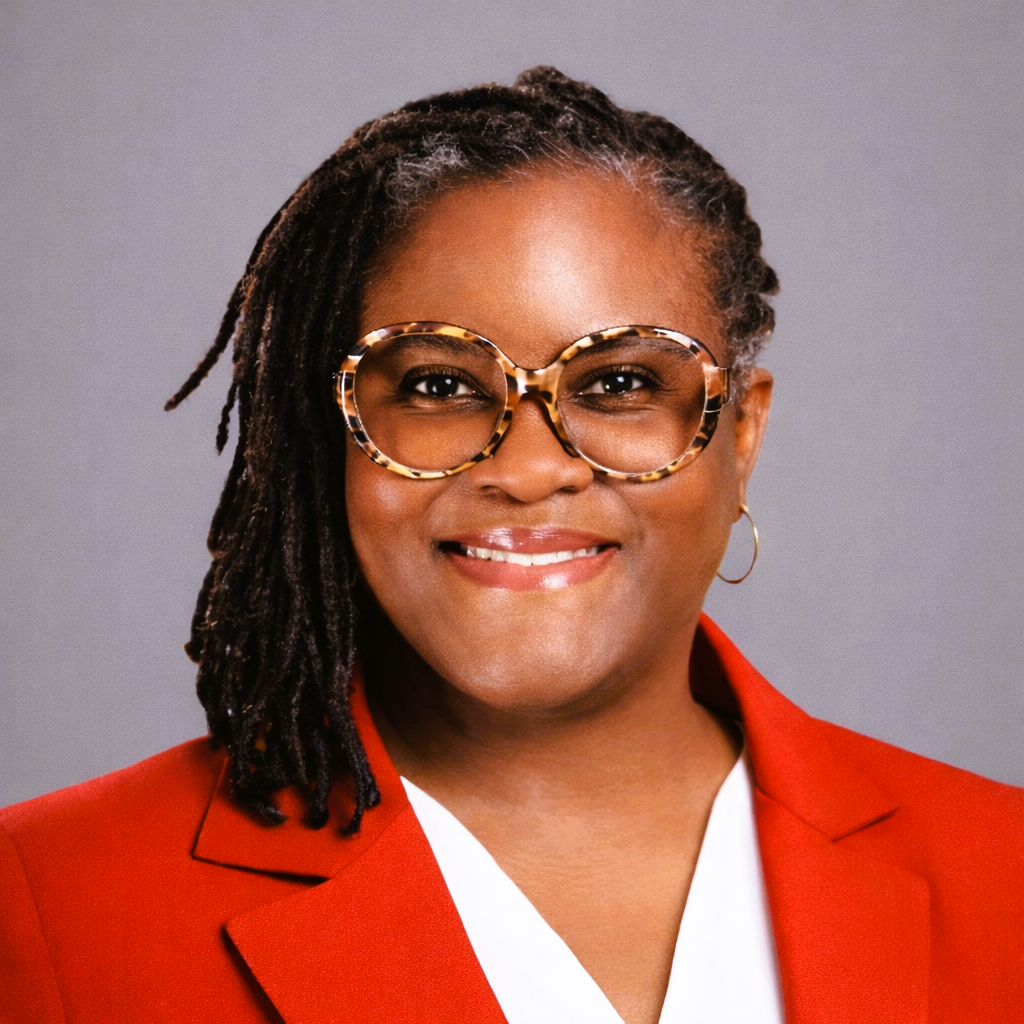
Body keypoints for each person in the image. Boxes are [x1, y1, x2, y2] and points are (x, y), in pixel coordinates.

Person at [1, 67, 1021, 1024]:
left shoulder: (1002, 874)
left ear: (737, 433)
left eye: (620, 383)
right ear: (337, 430)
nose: (530, 468)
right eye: (439, 385)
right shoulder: (47, 903)